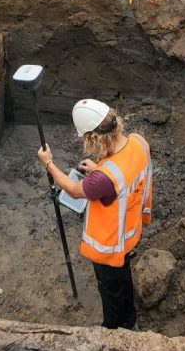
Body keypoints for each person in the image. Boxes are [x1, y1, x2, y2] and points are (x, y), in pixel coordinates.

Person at [37, 99, 153, 330]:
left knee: (110, 290)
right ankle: (129, 317)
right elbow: (121, 170)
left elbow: (73, 189)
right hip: (129, 233)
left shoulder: (103, 179)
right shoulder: (139, 142)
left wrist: (49, 164)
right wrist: (100, 169)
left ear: (94, 138)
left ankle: (112, 329)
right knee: (123, 277)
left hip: (110, 246)